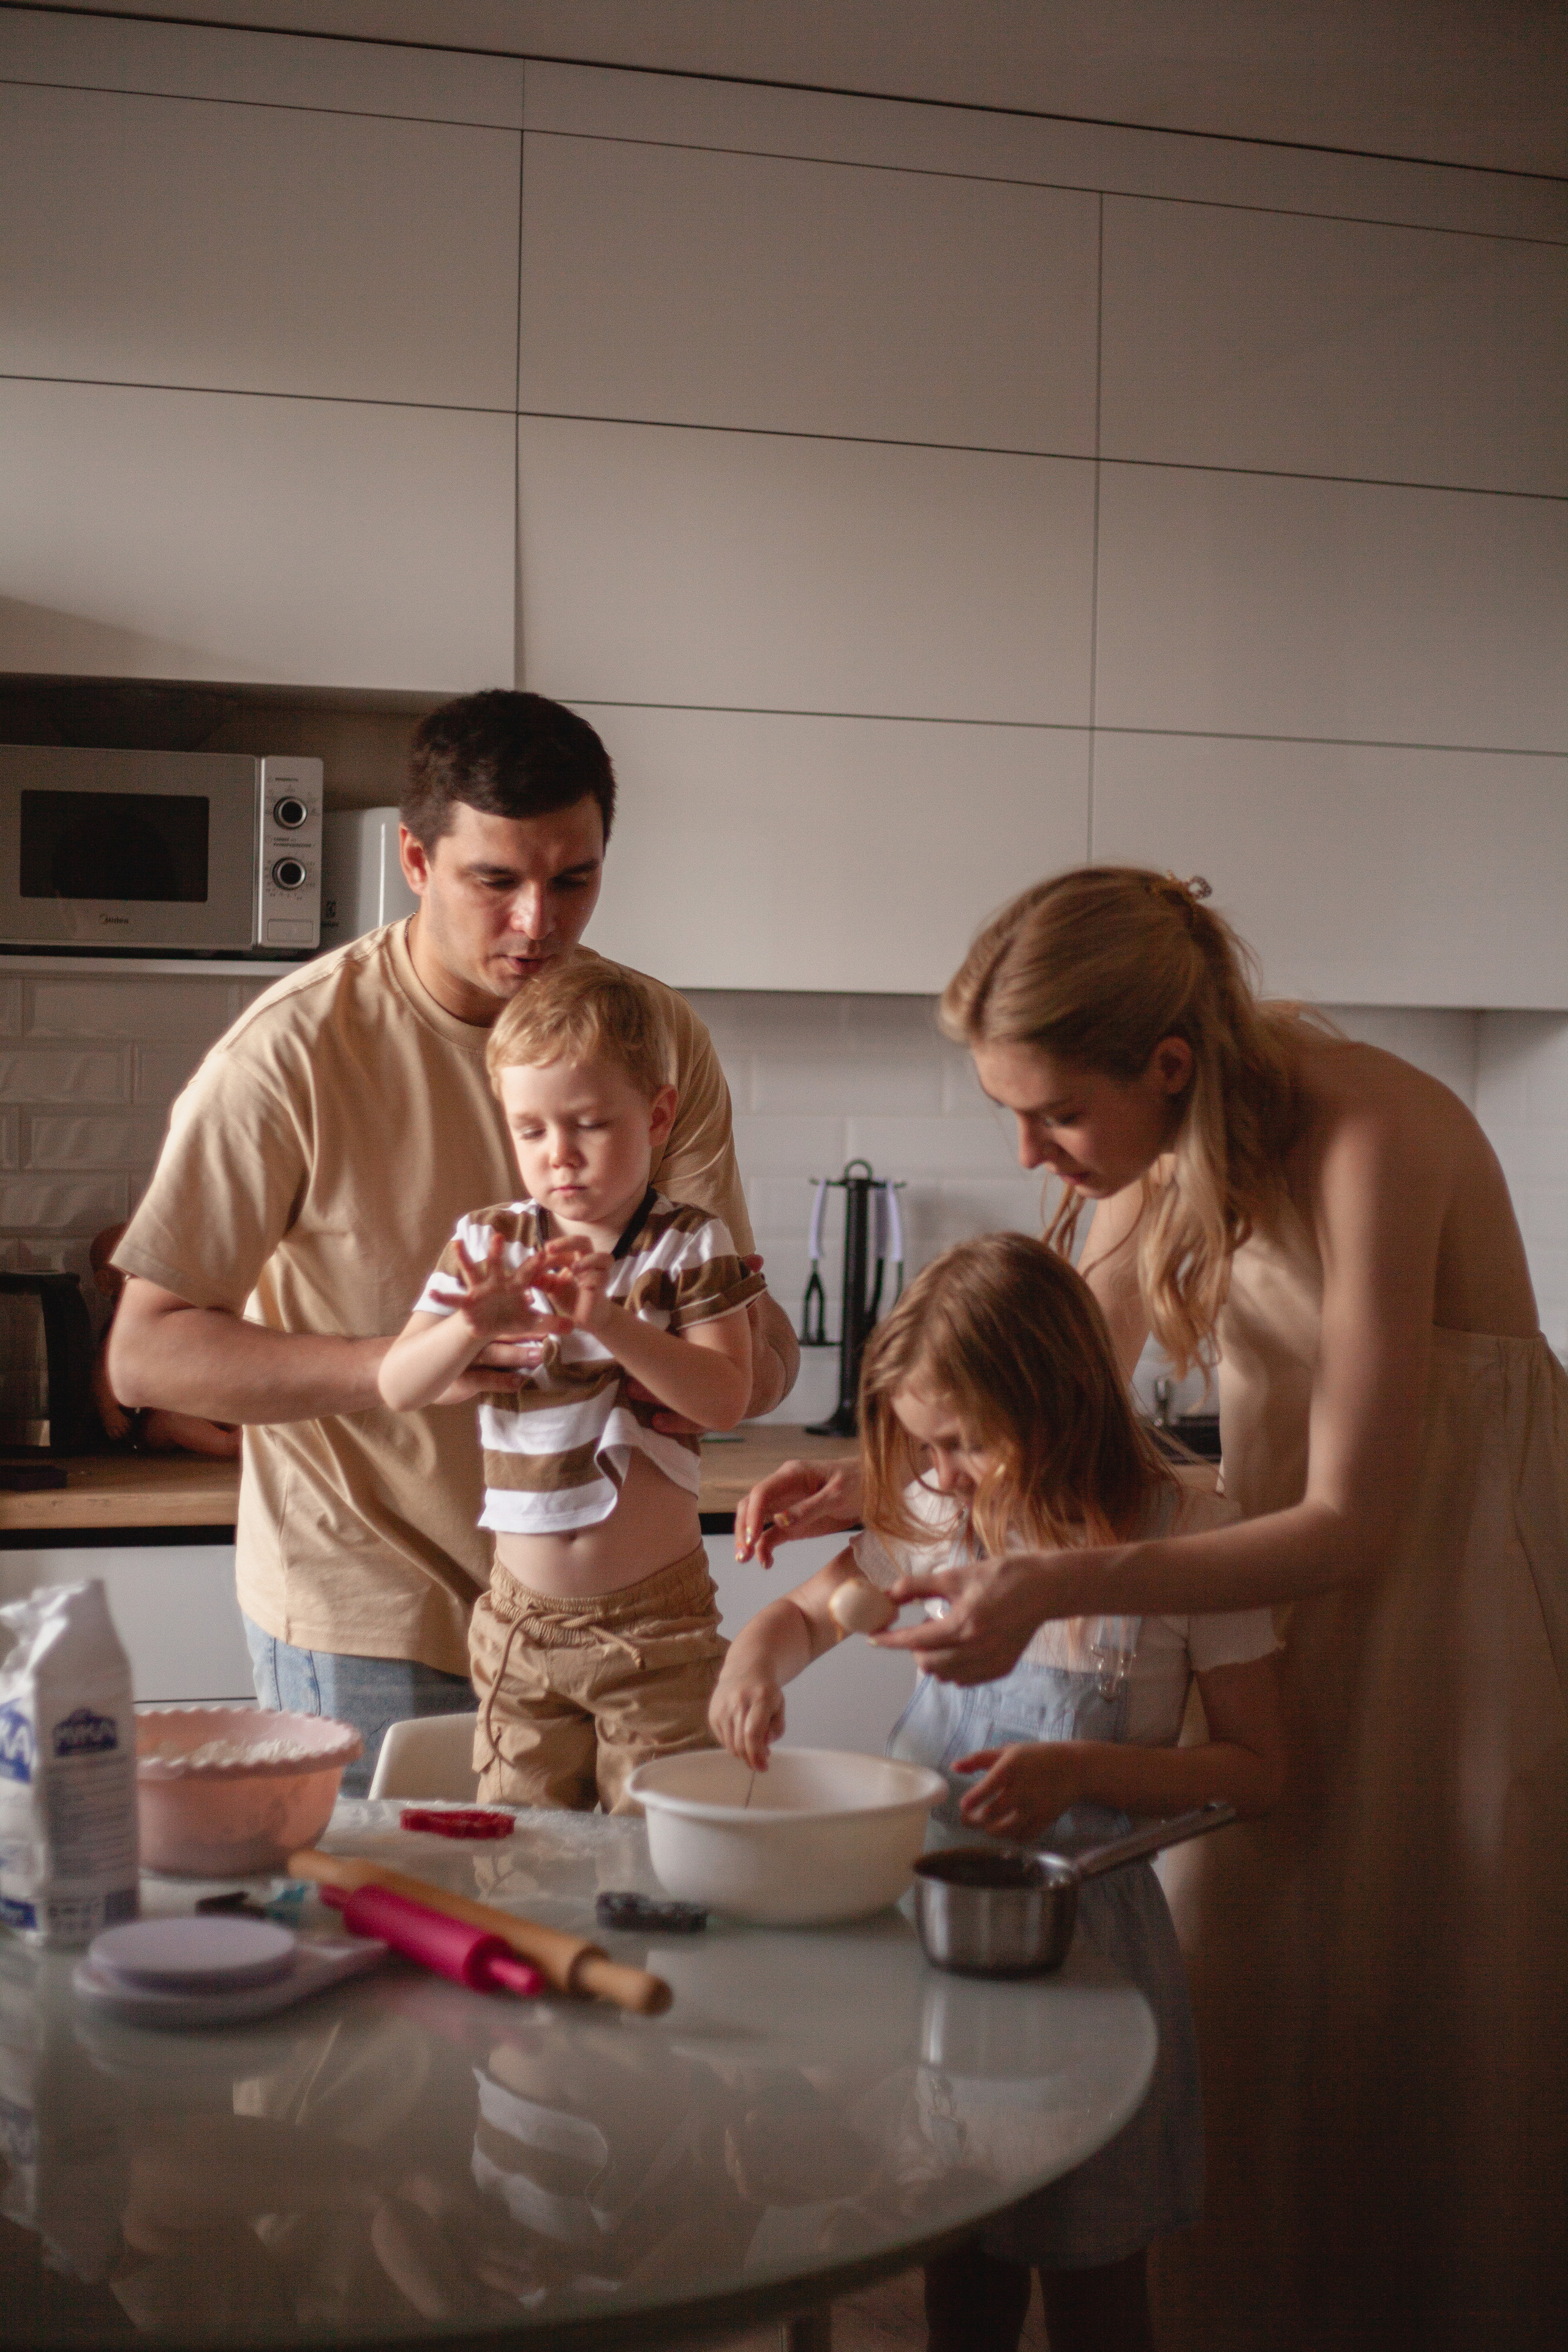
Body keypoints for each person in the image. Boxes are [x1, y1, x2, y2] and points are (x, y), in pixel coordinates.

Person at [736, 867, 1568, 2352]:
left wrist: (1064, 1580)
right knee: (1265, 1964)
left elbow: (1358, 1516)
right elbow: (1035, 1393)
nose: (1027, 1148)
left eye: (1050, 1112)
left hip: (1446, 1587)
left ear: (1162, 1064)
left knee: (1415, 1988)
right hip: (1268, 1568)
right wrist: (873, 1486)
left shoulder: (1375, 1132)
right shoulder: (1156, 1150)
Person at [108, 691, 798, 1792]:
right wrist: (407, 1364)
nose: (539, 922)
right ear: (417, 862)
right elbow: (146, 1356)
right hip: (369, 1609)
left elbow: (747, 1342)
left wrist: (733, 1364)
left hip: (625, 1610)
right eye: (499, 881)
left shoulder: (656, 1039)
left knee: (632, 1918)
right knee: (419, 1939)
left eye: (573, 880)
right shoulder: (289, 1054)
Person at [715, 1233, 1284, 2352]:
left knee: (1092, 2268)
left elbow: (1260, 1771)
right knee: (959, 2253)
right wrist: (753, 1663)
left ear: (1058, 1403)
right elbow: (803, 1618)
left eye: (964, 1443)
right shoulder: (939, 1516)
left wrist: (1086, 1772)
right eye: (926, 1449)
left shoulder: (1189, 1541)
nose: (941, 1474)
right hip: (931, 1951)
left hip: (1085, 1961)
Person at [379, 960, 760, 1812]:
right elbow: (402, 1385)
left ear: (658, 1115)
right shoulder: (489, 1245)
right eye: (531, 1131)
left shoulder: (691, 1244)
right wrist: (472, 1324)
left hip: (655, 1624)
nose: (560, 1158)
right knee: (518, 1848)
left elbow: (725, 1397)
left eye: (590, 1124)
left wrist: (613, 1321)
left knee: (651, 1851)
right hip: (519, 1617)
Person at [88, 1223, 239, 1457]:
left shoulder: (175, 1313)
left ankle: (253, 1437)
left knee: (228, 1404)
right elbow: (104, 1368)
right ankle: (229, 1446)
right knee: (174, 1420)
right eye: (138, 1269)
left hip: (191, 1401)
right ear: (106, 1283)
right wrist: (109, 1411)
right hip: (148, 1420)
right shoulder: (124, 1326)